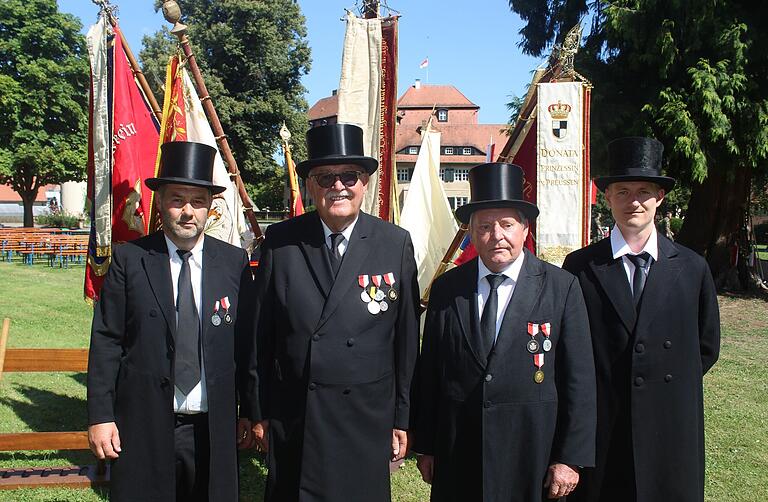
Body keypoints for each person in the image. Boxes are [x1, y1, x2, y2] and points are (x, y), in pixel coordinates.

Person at [250, 123, 420, 502]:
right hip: (298, 413)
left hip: (366, 413)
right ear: (310, 187)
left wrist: (402, 417)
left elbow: (407, 340)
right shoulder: (281, 242)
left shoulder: (394, 243)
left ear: (365, 183)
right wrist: (259, 409)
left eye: (349, 176)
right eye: (325, 178)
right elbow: (261, 335)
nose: (338, 186)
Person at [414, 162, 596, 502]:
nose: (496, 235)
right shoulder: (447, 289)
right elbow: (430, 373)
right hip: (460, 453)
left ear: (525, 229)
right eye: (484, 226)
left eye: (507, 224)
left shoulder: (562, 288)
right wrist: (426, 445)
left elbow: (580, 380)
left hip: (532, 454)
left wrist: (570, 457)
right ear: (471, 231)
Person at [86, 141, 258, 501]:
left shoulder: (233, 264)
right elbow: (107, 341)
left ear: (210, 207)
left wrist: (251, 410)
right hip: (145, 422)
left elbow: (247, 346)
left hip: (213, 427)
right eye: (177, 199)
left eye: (197, 201)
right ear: (160, 203)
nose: (187, 211)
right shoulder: (130, 260)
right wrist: (101, 415)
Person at [562, 137, 720, 502]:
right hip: (605, 421)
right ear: (607, 197)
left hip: (670, 421)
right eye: (622, 191)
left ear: (659, 198)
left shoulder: (692, 268)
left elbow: (706, 346)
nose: (633, 201)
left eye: (644, 191)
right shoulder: (581, 266)